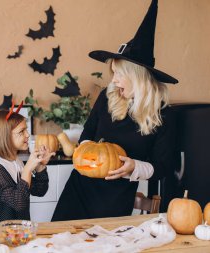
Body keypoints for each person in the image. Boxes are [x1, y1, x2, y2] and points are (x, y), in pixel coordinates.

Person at [52, 0, 179, 221]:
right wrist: (86, 154)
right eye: (113, 73)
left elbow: (163, 167)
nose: (115, 81)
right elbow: (87, 134)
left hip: (116, 199)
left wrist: (134, 167)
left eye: (120, 75)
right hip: (79, 190)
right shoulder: (106, 97)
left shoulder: (163, 114)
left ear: (138, 78)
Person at [0, 106, 55, 226]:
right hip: (1, 234)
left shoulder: (17, 162)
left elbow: (39, 191)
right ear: (5, 136)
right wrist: (28, 169)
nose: (28, 134)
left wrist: (40, 167)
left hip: (20, 232)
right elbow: (18, 203)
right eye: (21, 131)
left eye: (26, 130)